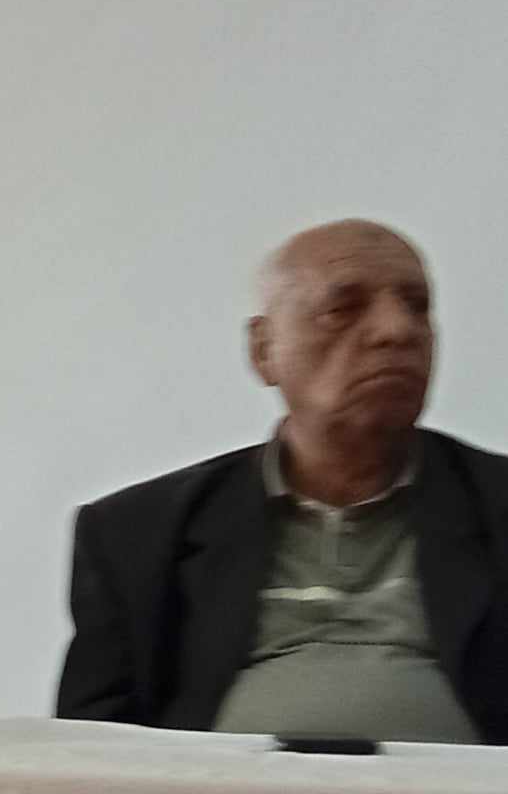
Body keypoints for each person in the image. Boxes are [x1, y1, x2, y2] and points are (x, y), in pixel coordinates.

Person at [57, 219, 508, 743]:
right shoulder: (136, 534)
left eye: (416, 305)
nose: (397, 330)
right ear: (263, 349)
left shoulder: (496, 503)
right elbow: (89, 755)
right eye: (343, 308)